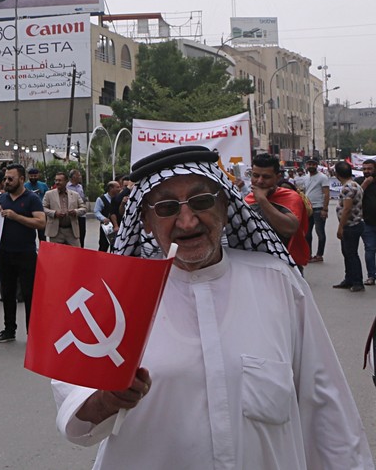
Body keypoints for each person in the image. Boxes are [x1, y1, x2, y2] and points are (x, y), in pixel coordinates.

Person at [52, 145, 374, 469]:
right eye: (165, 208)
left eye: (202, 201)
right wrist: (107, 401)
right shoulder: (112, 299)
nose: (188, 221)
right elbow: (77, 417)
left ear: (224, 205)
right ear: (145, 221)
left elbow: (327, 411)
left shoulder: (279, 284)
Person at [0, 164, 45, 344]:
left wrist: (16, 216)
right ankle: (9, 329)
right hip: (5, 254)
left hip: (26, 254)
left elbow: (40, 222)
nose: (6, 181)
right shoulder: (2, 199)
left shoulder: (32, 199)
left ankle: (33, 331)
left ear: (21, 179)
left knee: (29, 294)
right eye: (5, 178)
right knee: (8, 293)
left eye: (10, 179)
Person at [244, 153, 309, 268]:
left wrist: (262, 201)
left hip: (286, 264)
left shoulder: (290, 197)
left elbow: (289, 229)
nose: (259, 181)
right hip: (254, 264)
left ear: (277, 177)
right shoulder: (247, 199)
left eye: (266, 177)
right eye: (255, 175)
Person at [333, 160, 366, 292]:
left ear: (337, 174)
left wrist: (340, 227)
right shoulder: (355, 185)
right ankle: (349, 279)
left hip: (350, 225)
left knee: (351, 254)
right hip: (355, 223)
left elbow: (347, 209)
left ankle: (357, 281)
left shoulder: (347, 188)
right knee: (347, 253)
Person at [43, 172, 86, 246]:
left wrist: (75, 212)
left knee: (75, 255)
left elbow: (84, 208)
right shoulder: (49, 194)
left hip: (72, 231)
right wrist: (54, 213)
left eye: (60, 180)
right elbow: (43, 208)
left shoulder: (75, 195)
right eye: (56, 180)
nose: (57, 182)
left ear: (66, 181)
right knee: (56, 256)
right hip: (56, 232)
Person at [302, 157, 331, 262]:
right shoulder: (305, 178)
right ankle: (308, 255)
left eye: (313, 164)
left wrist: (325, 209)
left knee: (320, 233)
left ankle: (319, 255)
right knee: (307, 233)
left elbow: (326, 193)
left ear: (317, 165)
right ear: (306, 165)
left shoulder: (322, 177)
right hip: (308, 209)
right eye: (309, 164)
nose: (311, 166)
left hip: (319, 208)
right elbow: (304, 192)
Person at [93, 180, 121, 252]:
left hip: (118, 226)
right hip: (106, 227)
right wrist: (103, 218)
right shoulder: (101, 199)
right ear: (111, 188)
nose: (119, 189)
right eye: (117, 187)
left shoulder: (119, 198)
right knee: (103, 246)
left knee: (116, 246)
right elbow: (96, 211)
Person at [361, 159, 376, 285]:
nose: (367, 171)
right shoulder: (359, 182)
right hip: (367, 222)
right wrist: (365, 185)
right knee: (370, 249)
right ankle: (371, 275)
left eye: (369, 169)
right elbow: (354, 198)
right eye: (364, 169)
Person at [67, 169, 88, 247]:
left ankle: (81, 250)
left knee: (82, 234)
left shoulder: (80, 186)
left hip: (81, 214)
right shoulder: (67, 187)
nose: (80, 177)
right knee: (73, 235)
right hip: (72, 214)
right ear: (74, 177)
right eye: (79, 175)